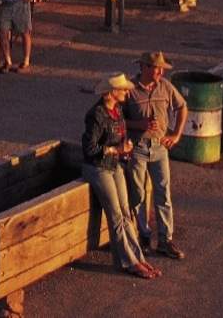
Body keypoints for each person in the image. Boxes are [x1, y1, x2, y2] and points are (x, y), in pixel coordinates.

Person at [82, 72, 160, 280]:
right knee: (116, 215)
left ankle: (137, 257)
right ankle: (128, 262)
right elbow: (89, 148)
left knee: (126, 213)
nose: (127, 91)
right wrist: (116, 149)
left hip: (114, 165)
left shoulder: (117, 110)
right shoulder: (97, 114)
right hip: (98, 167)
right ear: (112, 92)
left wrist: (124, 148)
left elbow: (122, 136)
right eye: (123, 89)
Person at [123, 51, 189, 260]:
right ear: (143, 67)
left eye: (161, 68)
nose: (160, 72)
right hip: (138, 148)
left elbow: (182, 106)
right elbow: (116, 121)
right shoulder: (129, 91)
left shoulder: (166, 87)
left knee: (163, 193)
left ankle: (165, 240)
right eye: (155, 68)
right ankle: (143, 236)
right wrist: (138, 125)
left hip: (160, 147)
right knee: (139, 195)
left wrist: (176, 135)